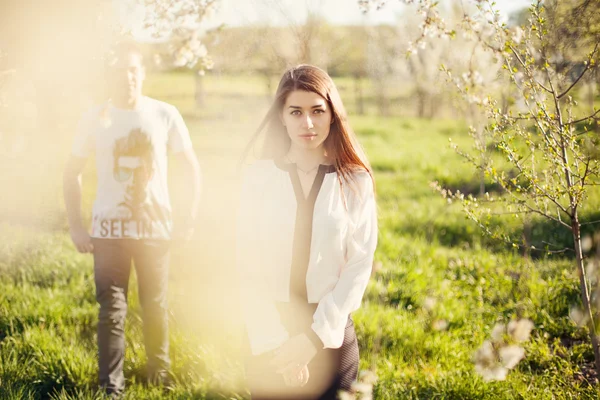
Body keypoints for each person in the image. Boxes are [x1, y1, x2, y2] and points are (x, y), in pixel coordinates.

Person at [63, 42, 201, 396]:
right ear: (108, 77)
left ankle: (160, 375)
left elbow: (190, 168)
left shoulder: (164, 114)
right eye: (119, 71)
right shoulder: (93, 118)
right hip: (108, 232)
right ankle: (111, 386)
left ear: (142, 74)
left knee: (155, 305)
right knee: (111, 309)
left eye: (133, 70)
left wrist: (187, 218)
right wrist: (77, 226)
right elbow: (71, 172)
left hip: (156, 231)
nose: (126, 78)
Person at [237, 64, 378, 400]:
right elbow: (246, 261)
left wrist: (313, 339)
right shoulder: (257, 178)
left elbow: (360, 264)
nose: (308, 123)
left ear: (333, 115)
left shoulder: (354, 181)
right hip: (267, 327)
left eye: (318, 111)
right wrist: (276, 343)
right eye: (296, 112)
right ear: (282, 117)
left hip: (330, 329)